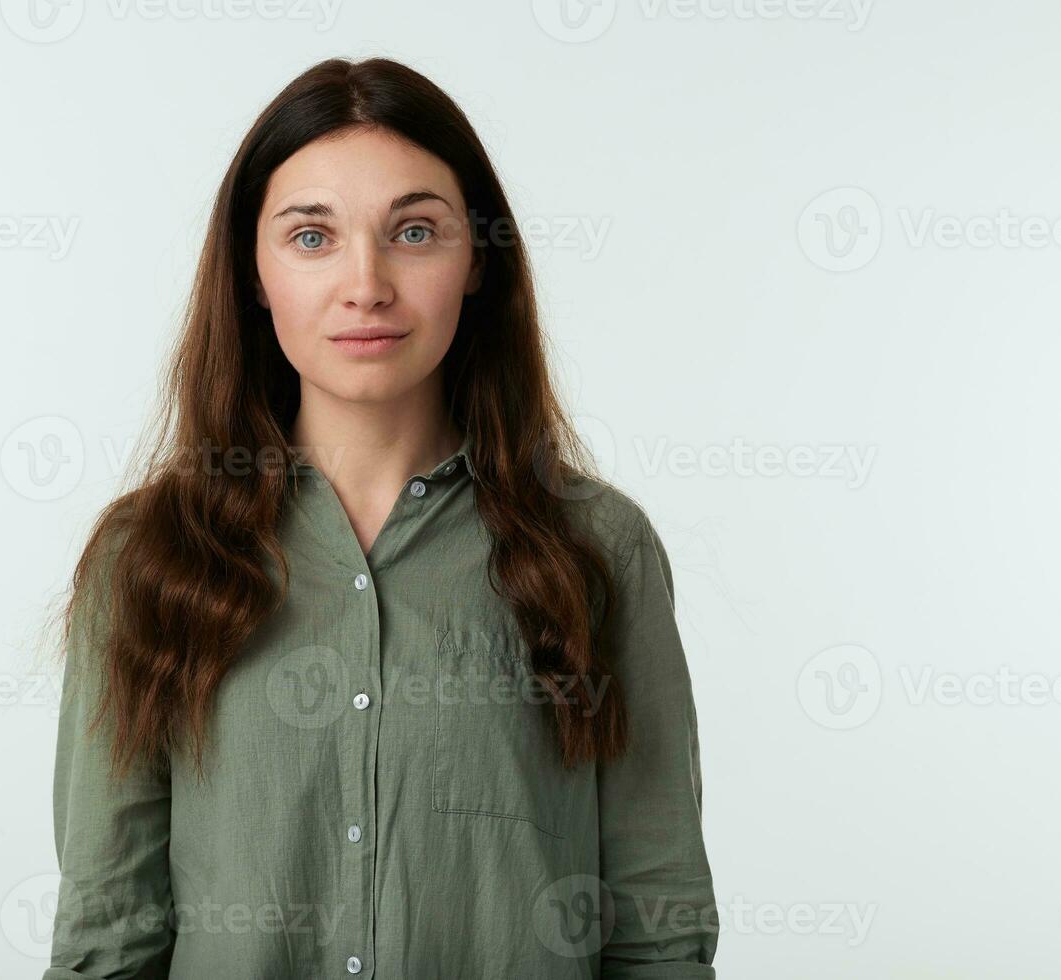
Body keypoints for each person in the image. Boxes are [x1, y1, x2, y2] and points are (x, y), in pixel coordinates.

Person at [42, 56, 718, 979]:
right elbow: (108, 937)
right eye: (311, 237)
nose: (366, 284)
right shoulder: (150, 559)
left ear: (476, 259)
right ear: (253, 269)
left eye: (413, 231)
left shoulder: (596, 550)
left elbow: (656, 931)